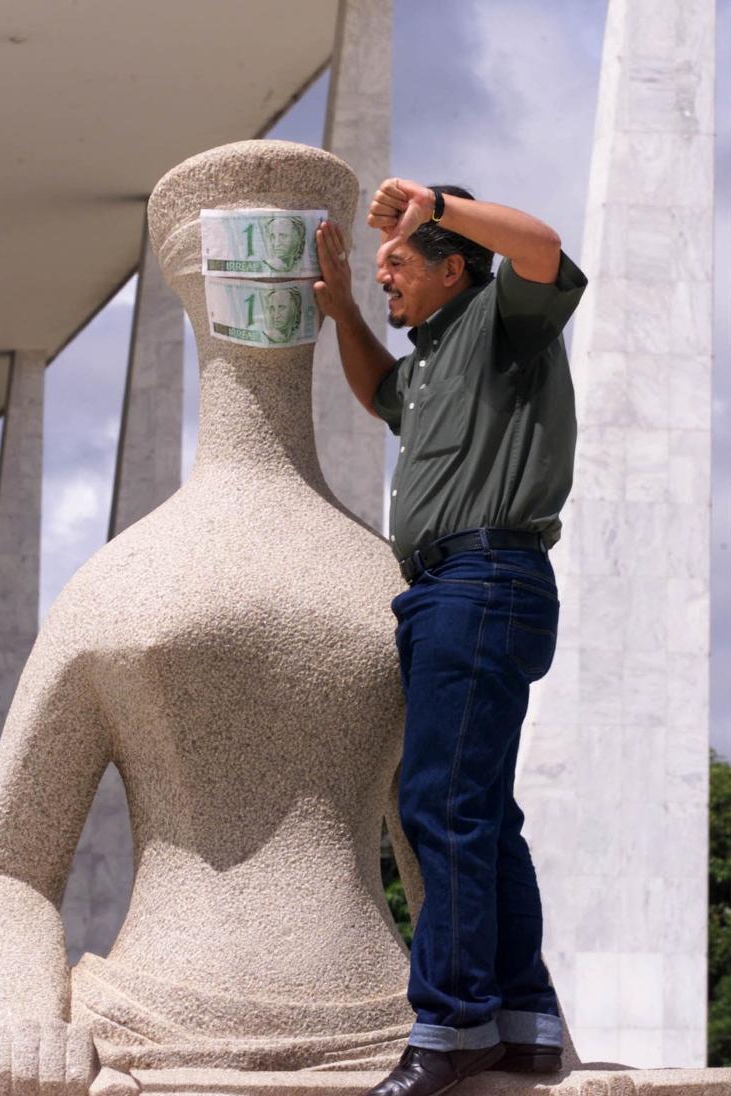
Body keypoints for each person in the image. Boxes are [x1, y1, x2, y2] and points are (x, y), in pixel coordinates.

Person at [314, 178, 587, 1096]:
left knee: (439, 805)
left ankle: (451, 1028)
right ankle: (524, 1020)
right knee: (479, 809)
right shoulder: (429, 358)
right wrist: (347, 308)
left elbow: (542, 245)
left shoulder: (504, 322)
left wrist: (435, 201)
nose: (385, 273)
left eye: (398, 262)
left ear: (453, 265)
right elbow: (379, 393)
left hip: (485, 579)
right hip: (447, 590)